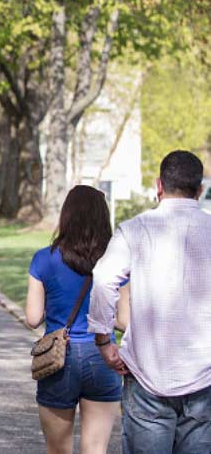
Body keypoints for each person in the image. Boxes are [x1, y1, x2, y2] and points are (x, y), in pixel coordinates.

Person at [88, 150, 211, 453]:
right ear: (200, 189)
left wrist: (104, 341)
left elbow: (103, 279)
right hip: (204, 375)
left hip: (146, 374)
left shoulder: (133, 230)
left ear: (159, 185)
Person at [26, 185, 122, 454]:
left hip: (60, 358)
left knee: (58, 449)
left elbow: (33, 318)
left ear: (66, 216)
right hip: (103, 356)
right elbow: (124, 319)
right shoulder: (115, 260)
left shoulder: (44, 259)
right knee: (95, 449)